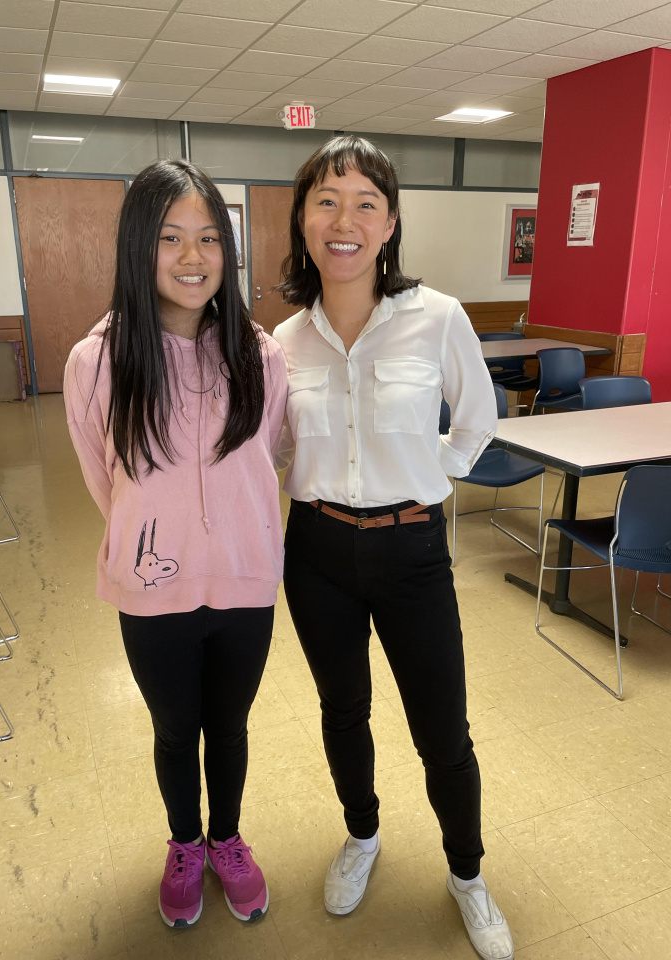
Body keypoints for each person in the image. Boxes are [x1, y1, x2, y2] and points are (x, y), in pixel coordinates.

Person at [273, 136, 513, 960]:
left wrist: (428, 477)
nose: (345, 220)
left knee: (442, 728)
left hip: (412, 553)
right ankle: (363, 835)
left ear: (390, 221)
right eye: (326, 202)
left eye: (365, 203)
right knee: (344, 710)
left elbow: (477, 418)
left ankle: (468, 874)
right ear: (303, 221)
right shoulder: (282, 342)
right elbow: (269, 449)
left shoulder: (436, 316)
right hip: (315, 553)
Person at [63, 159, 288, 929]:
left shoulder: (261, 356)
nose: (193, 258)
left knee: (228, 727)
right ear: (138, 247)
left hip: (247, 585)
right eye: (169, 239)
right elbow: (107, 482)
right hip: (152, 592)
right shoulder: (97, 362)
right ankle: (185, 842)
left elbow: (265, 464)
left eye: (208, 239)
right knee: (173, 728)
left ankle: (226, 838)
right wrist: (155, 543)